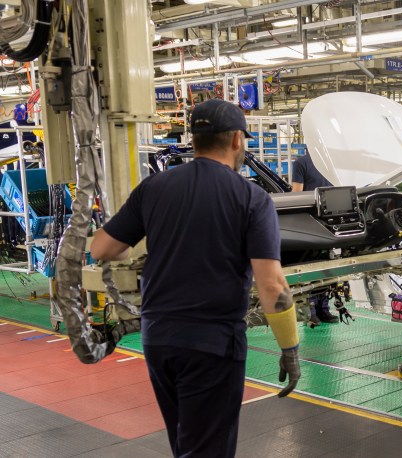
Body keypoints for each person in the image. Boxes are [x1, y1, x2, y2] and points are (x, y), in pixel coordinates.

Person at [90, 99, 301, 458]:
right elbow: (272, 285)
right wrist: (290, 349)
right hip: (212, 344)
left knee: (187, 443)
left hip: (158, 339)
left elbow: (101, 248)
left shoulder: (153, 188)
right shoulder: (251, 198)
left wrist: (128, 251)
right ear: (237, 140)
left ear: (195, 138)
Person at [290, 153, 339, 324]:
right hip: (329, 221)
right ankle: (316, 310)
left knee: (315, 266)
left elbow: (295, 194)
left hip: (312, 224)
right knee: (324, 266)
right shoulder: (330, 161)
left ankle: (318, 310)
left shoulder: (301, 163)